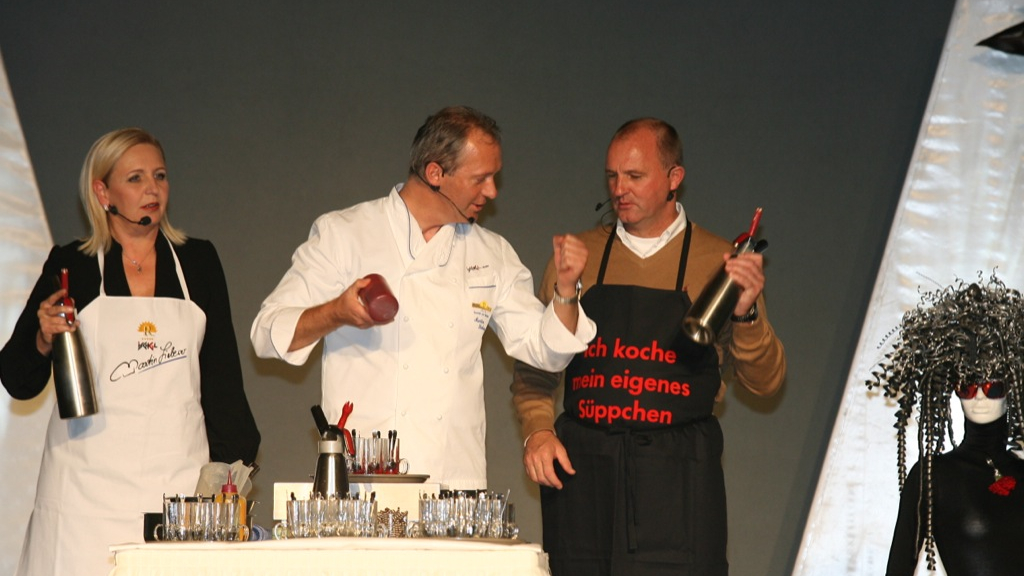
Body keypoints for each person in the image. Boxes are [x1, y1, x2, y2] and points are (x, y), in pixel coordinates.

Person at [250, 106, 596, 490]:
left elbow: (545, 351)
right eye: (480, 178)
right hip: (365, 481)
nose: (492, 192)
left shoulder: (491, 253)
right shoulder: (345, 234)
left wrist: (566, 290)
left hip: (454, 485)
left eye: (494, 177)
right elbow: (267, 334)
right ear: (435, 174)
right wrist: (336, 313)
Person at [510, 118, 786, 575]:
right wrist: (538, 431)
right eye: (612, 176)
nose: (619, 189)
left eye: (635, 176)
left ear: (674, 178)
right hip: (585, 477)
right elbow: (535, 371)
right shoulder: (577, 260)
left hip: (678, 481)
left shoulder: (718, 262)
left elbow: (766, 383)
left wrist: (746, 314)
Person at [0, 128, 261, 576]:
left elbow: (223, 382)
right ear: (103, 193)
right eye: (136, 178)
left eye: (159, 176)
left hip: (178, 494)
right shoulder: (73, 266)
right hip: (82, 503)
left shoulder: (198, 263)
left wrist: (230, 473)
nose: (152, 189)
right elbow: (17, 379)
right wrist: (42, 337)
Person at [867, 277, 1024, 576]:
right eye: (967, 386)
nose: (979, 397)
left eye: (992, 386)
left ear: (1013, 389)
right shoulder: (933, 476)